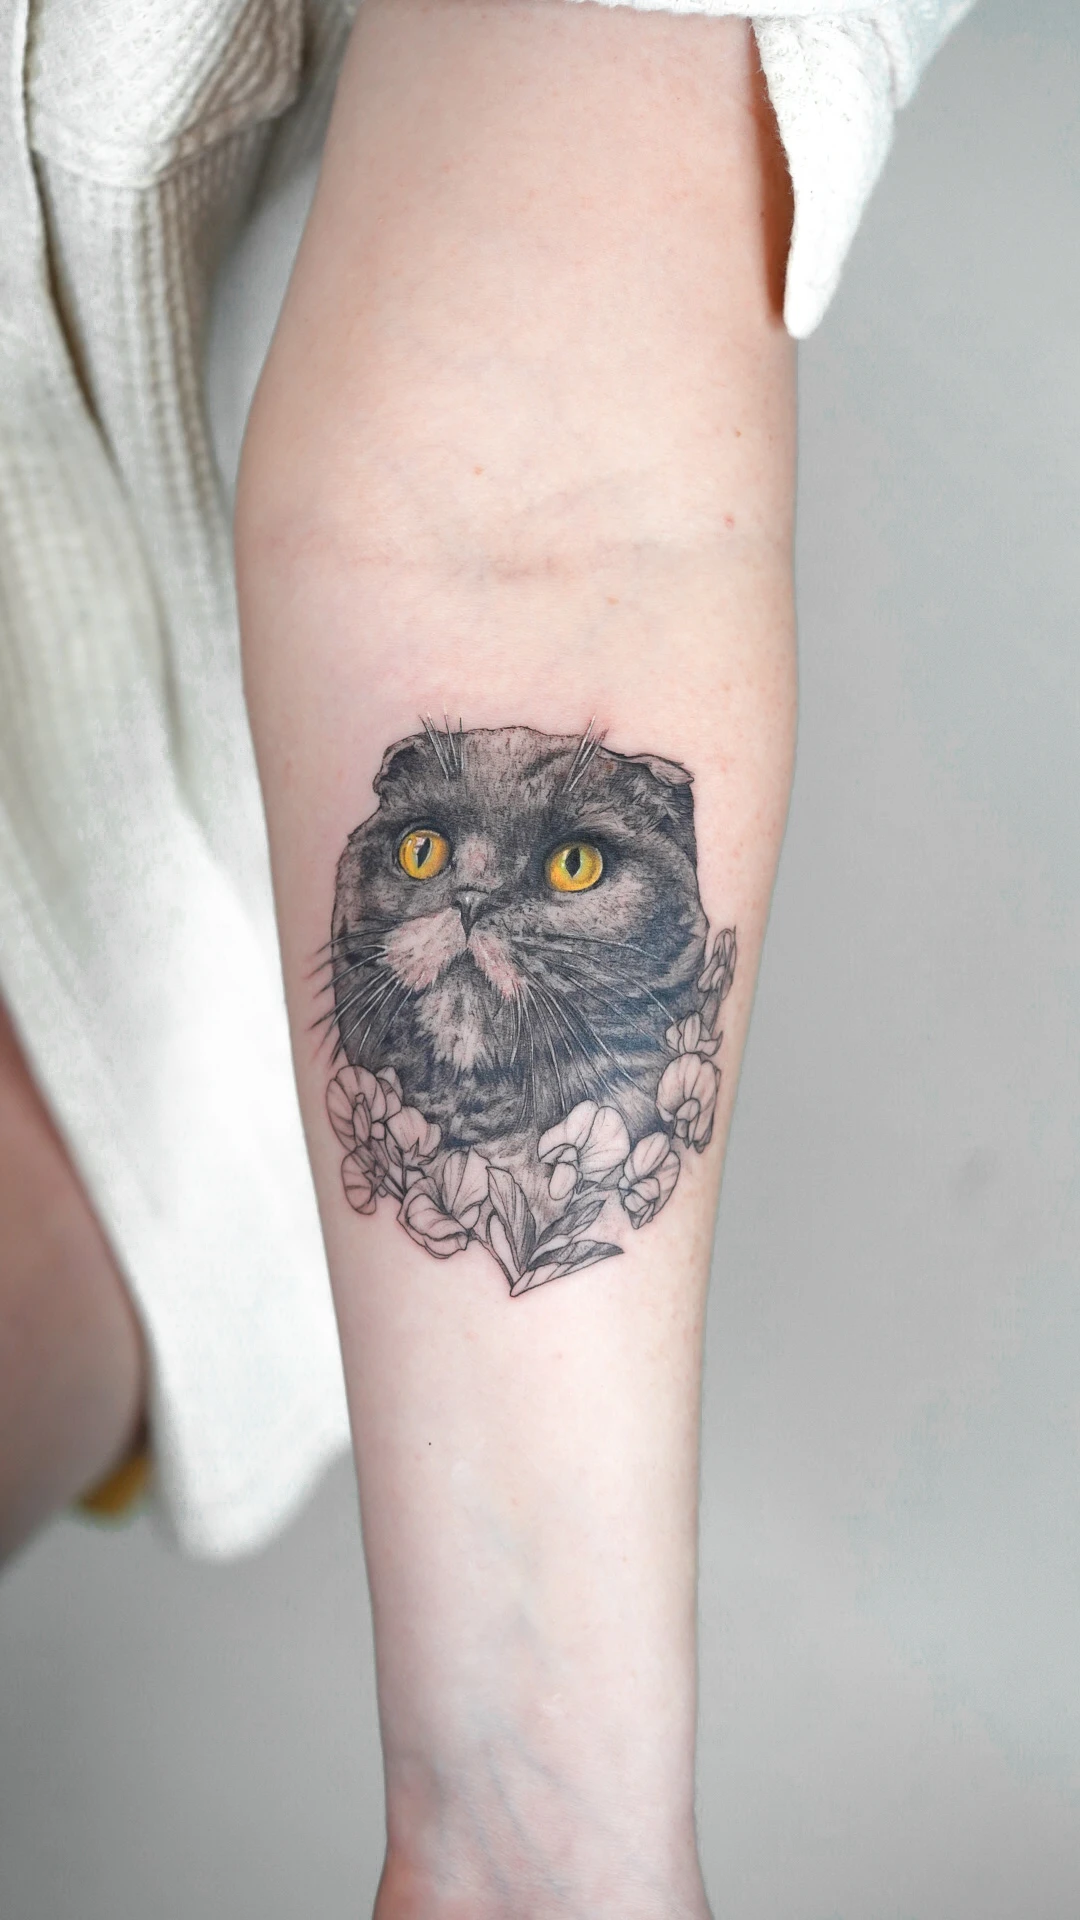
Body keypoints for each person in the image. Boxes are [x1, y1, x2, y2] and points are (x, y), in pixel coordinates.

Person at [0, 1, 972, 1910]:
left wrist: (534, 1834)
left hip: (79, 929)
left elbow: (530, 529)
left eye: (575, 864)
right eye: (438, 854)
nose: (475, 900)